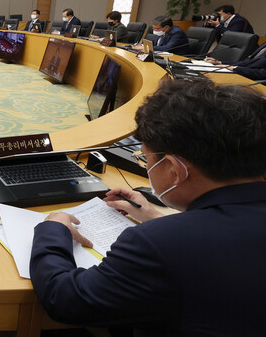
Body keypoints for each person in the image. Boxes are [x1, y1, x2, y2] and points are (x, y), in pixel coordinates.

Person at [30, 79, 266, 335]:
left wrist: (52, 229)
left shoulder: (159, 244)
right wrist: (155, 217)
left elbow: (65, 300)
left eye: (146, 159)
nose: (146, 166)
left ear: (175, 171)